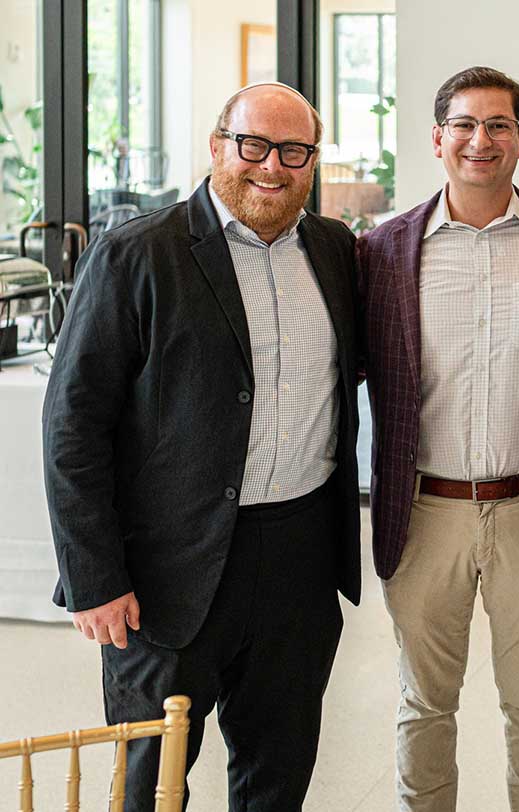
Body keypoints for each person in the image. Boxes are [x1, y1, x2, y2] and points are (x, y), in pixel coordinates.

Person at [42, 82, 361, 811]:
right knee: (151, 784)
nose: (272, 166)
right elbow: (72, 426)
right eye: (253, 145)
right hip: (166, 572)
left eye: (294, 150)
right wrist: (93, 576)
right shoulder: (134, 253)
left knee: (277, 774)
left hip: (299, 562)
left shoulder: (334, 249)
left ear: (313, 161)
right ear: (218, 146)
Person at [356, 66, 519, 812]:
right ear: (438, 139)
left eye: (498, 125)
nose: (479, 140)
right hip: (425, 511)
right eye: (463, 124)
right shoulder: (383, 251)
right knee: (425, 701)